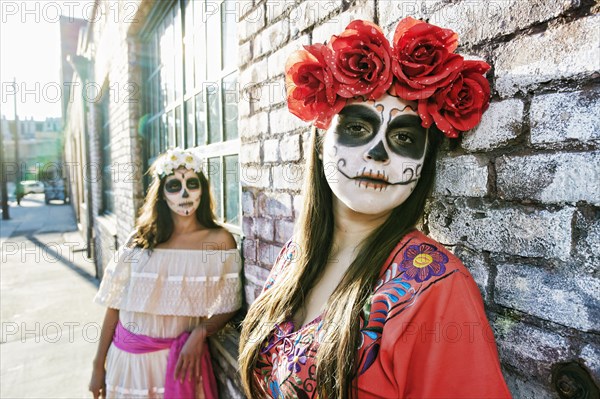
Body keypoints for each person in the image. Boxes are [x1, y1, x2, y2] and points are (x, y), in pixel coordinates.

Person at [239, 18, 512, 398]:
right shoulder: (294, 256)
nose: (378, 153)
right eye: (356, 129)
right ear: (321, 144)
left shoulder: (436, 291)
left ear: (425, 161)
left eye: (403, 136)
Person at [89, 148, 242, 399]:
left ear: (203, 190)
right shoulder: (140, 239)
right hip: (128, 364)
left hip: (182, 364)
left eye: (192, 184)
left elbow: (230, 303)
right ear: (161, 193)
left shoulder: (219, 240)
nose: (184, 193)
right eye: (174, 186)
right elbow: (114, 305)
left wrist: (200, 333)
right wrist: (97, 366)